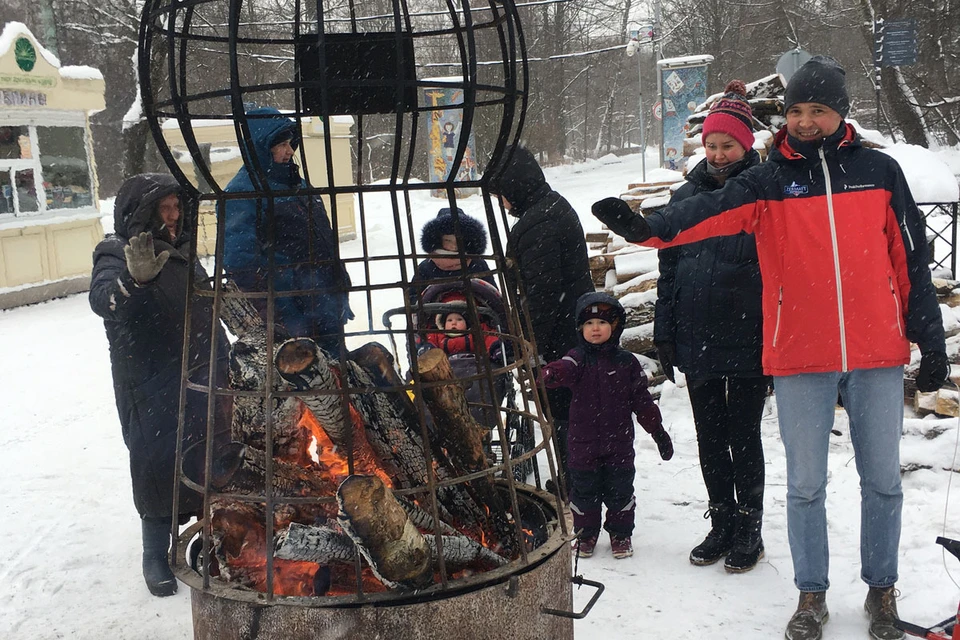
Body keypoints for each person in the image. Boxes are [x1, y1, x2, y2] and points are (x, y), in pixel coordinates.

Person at [593, 56, 949, 640]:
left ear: (841, 113)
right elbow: (703, 212)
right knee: (805, 485)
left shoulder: (880, 172)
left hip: (875, 354)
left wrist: (928, 341)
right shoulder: (768, 181)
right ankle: (811, 595)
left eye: (819, 111)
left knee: (882, 480)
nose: (805, 122)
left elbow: (909, 260)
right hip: (799, 356)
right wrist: (646, 227)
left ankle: (881, 589)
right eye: (797, 111)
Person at [89, 174, 230, 597]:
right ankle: (155, 550)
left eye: (176, 207)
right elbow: (104, 302)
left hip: (202, 374)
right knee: (157, 462)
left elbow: (209, 300)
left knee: (210, 453)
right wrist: (136, 279)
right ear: (142, 212)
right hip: (150, 382)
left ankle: (212, 537)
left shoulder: (184, 251)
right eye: (163, 208)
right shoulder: (115, 252)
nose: (172, 216)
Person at [654, 80, 770, 573]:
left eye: (729, 145)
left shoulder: (765, 194)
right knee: (708, 434)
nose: (720, 155)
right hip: (697, 334)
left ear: (746, 146)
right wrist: (665, 332)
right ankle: (721, 518)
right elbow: (669, 270)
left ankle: (750, 525)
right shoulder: (685, 196)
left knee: (743, 434)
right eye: (712, 145)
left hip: (749, 336)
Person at [486, 145, 595, 491]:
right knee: (571, 409)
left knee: (564, 410)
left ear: (514, 187)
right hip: (572, 325)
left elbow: (543, 294)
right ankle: (578, 478)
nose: (503, 203)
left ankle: (575, 482)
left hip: (562, 333)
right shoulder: (548, 208)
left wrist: (531, 344)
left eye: (502, 194)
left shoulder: (540, 223)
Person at [541, 292, 674, 559]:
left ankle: (620, 534)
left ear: (615, 327)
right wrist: (550, 373)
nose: (596, 329)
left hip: (619, 443)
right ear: (581, 329)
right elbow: (564, 368)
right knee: (583, 492)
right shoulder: (578, 358)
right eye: (589, 324)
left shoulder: (626, 363)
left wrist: (658, 432)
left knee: (620, 491)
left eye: (602, 323)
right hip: (582, 443)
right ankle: (586, 534)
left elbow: (642, 401)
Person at [223, 107, 352, 354]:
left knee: (339, 377)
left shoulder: (298, 184)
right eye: (281, 144)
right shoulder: (242, 193)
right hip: (291, 311)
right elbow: (241, 265)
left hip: (326, 302)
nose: (290, 151)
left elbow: (322, 239)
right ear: (259, 146)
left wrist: (339, 286)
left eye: (290, 143)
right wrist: (277, 316)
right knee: (305, 383)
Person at [408, 206, 496, 304]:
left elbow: (492, 294)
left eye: (459, 239)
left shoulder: (477, 263)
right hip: (435, 316)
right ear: (438, 240)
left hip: (476, 316)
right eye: (448, 240)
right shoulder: (426, 266)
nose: (454, 246)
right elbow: (414, 299)